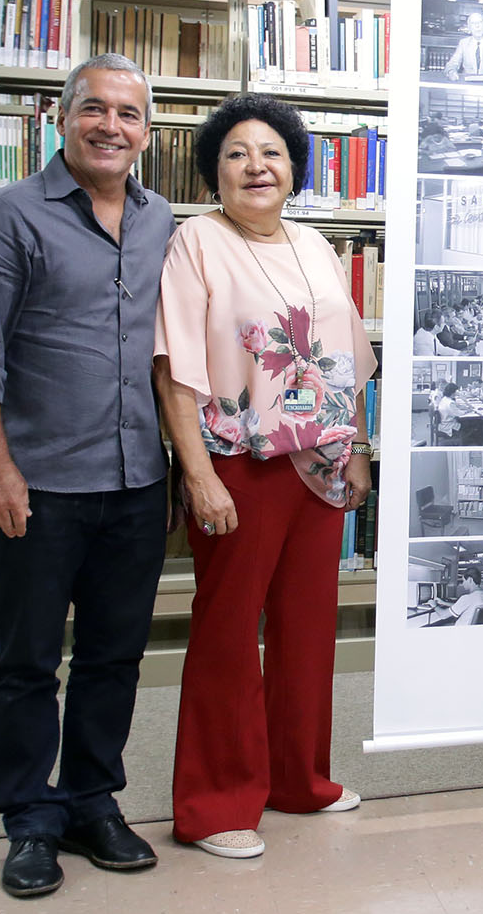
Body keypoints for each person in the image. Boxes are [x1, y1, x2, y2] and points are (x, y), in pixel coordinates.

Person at [0, 53, 173, 898]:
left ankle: (90, 801)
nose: (111, 126)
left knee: (115, 657)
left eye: (129, 114)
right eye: (95, 109)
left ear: (148, 132)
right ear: (62, 115)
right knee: (28, 662)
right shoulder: (7, 217)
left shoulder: (161, 224)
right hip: (36, 486)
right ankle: (30, 820)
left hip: (139, 483)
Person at [154, 93, 378, 861]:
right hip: (236, 465)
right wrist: (197, 477)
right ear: (214, 171)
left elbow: (346, 355)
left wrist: (358, 446)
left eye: (272, 153)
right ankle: (216, 802)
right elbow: (174, 369)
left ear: (294, 168)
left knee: (308, 630)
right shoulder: (197, 243)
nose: (257, 166)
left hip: (319, 462)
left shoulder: (317, 244)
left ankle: (298, 779)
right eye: (237, 154)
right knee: (226, 631)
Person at [444, 10, 483, 84]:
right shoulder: (463, 43)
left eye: (480, 22)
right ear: (469, 28)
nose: (477, 26)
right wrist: (451, 72)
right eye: (473, 23)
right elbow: (453, 63)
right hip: (468, 84)